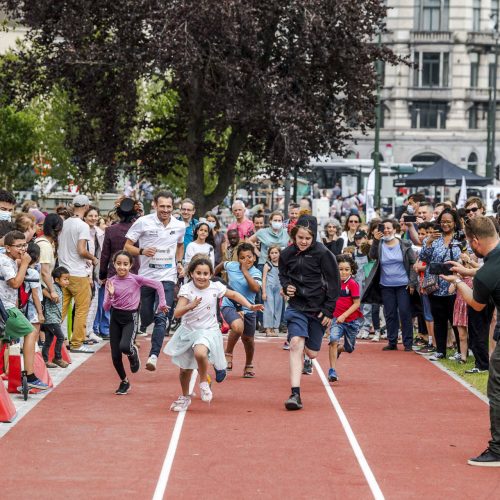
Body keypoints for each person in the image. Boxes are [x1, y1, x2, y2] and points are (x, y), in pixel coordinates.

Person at [165, 256, 263, 411]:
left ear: (210, 274)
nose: (202, 277)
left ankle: (203, 382)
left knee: (201, 352)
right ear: (191, 273)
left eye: (205, 273)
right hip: (189, 331)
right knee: (184, 370)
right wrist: (190, 306)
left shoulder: (216, 287)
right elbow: (177, 313)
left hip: (208, 330)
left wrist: (249, 306)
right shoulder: (187, 289)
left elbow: (234, 295)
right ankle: (185, 397)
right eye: (198, 273)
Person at [440, 216, 500, 466]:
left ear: (475, 241)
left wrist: (458, 282)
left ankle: (497, 449)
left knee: (496, 388)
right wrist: (470, 271)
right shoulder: (489, 266)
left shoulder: (487, 274)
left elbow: (476, 302)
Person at [279, 214, 340, 410]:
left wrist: (329, 311)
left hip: (318, 308)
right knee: (296, 343)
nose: (303, 242)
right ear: (294, 236)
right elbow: (283, 274)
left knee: (312, 353)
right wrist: (287, 285)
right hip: (297, 306)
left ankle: (308, 356)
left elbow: (334, 283)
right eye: (300, 238)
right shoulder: (287, 254)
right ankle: (295, 394)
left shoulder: (323, 254)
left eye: (307, 238)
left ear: (314, 237)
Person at [124, 190, 185, 371]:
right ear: (155, 206)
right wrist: (142, 251)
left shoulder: (179, 225)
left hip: (167, 277)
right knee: (147, 317)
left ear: (173, 207)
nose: (165, 210)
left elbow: (180, 245)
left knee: (161, 316)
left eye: (169, 206)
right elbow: (126, 247)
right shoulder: (143, 222)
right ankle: (144, 325)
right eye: (162, 206)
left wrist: (179, 262)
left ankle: (153, 355)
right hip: (146, 278)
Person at [103, 251, 168, 395]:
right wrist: (111, 294)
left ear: (131, 265)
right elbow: (106, 307)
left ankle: (133, 353)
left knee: (125, 346)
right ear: (114, 264)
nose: (122, 267)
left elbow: (158, 284)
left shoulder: (136, 279)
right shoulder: (111, 282)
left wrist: (162, 303)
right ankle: (124, 381)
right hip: (115, 317)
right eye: (119, 264)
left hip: (130, 318)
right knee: (115, 356)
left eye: (125, 264)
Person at [0, 231, 49, 390]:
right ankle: (29, 375)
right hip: (5, 307)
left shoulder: (10, 259)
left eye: (24, 245)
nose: (22, 249)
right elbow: (14, 283)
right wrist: (26, 264)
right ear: (7, 247)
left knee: (5, 341)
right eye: (18, 246)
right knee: (30, 331)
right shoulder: (5, 262)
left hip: (8, 306)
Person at [362, 219, 417, 351]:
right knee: (390, 314)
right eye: (383, 228)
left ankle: (408, 343)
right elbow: (372, 255)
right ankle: (392, 342)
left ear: (394, 229)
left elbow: (412, 264)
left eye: (388, 228)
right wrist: (375, 240)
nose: (386, 230)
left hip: (403, 285)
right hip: (386, 285)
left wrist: (412, 282)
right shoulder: (379, 244)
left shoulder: (404, 243)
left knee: (404, 313)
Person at [418, 209, 462, 361]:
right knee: (439, 319)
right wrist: (428, 243)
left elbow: (465, 258)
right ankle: (441, 350)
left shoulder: (460, 240)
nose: (445, 224)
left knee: (455, 320)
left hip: (453, 285)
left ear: (455, 222)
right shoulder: (433, 239)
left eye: (448, 221)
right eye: (443, 221)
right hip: (435, 286)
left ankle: (459, 351)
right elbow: (423, 257)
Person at [57, 194, 97, 353]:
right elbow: (81, 250)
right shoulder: (83, 226)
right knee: (81, 309)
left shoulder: (64, 223)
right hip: (78, 273)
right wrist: (93, 258)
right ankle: (77, 343)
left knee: (61, 309)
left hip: (63, 271)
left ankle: (51, 341)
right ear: (86, 207)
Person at [98, 197, 139, 338]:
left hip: (113, 272)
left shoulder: (110, 230)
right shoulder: (138, 230)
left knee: (112, 302)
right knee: (133, 304)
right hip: (133, 272)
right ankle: (131, 331)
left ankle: (112, 329)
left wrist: (102, 275)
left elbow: (105, 255)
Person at [463, 197, 495, 372]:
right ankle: (483, 361)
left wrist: (461, 277)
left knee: (488, 323)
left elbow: (487, 266)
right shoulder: (469, 231)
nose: (471, 213)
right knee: (476, 325)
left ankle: (487, 360)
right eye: (467, 211)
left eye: (474, 209)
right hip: (479, 283)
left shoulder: (489, 229)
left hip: (487, 284)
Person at [222, 243, 262, 378]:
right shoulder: (231, 266)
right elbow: (221, 266)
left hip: (249, 308)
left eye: (249, 257)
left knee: (248, 340)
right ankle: (228, 354)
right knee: (237, 327)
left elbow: (255, 289)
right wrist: (211, 277)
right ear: (237, 259)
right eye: (242, 257)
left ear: (254, 258)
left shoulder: (256, 272)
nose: (246, 260)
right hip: (230, 304)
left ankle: (249, 364)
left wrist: (245, 272)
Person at [328, 254, 362, 382]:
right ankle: (332, 370)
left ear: (351, 270)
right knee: (333, 340)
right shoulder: (332, 283)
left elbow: (357, 304)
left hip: (351, 321)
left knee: (349, 348)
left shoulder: (353, 284)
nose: (343, 272)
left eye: (346, 269)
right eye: (340, 269)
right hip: (337, 320)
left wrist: (344, 315)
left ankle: (339, 350)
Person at [42, 266, 70, 369]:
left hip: (54, 319)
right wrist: (51, 296)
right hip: (50, 319)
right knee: (61, 337)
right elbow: (43, 290)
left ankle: (45, 360)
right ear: (57, 279)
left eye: (68, 279)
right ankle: (57, 357)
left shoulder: (60, 289)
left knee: (48, 341)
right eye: (65, 279)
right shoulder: (53, 287)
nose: (67, 282)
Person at [35, 214, 64, 304]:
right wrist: (52, 291)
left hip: (41, 287)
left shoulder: (46, 242)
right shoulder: (45, 245)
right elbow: (44, 272)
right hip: (41, 289)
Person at [23, 242, 45, 344]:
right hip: (32, 306)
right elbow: (35, 294)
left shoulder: (23, 269)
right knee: (33, 337)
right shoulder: (33, 273)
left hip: (24, 305)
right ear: (37, 256)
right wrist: (40, 313)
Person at [262, 245, 284, 337]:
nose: (274, 255)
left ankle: (274, 328)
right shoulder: (267, 265)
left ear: (279, 254)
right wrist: (263, 292)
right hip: (269, 288)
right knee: (269, 308)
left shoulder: (282, 265)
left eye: (276, 253)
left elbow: (284, 277)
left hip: (279, 289)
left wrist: (283, 289)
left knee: (278, 308)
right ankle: (268, 328)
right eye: (272, 253)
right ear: (269, 255)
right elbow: (263, 278)